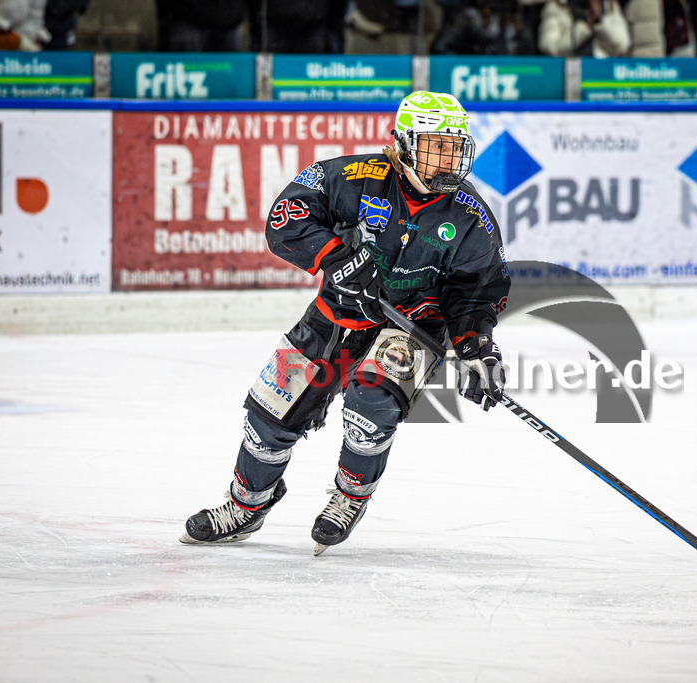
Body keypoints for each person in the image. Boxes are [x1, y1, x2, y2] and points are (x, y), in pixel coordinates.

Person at [180, 91, 511, 555]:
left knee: (370, 403)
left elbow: (476, 290)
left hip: (413, 326)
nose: (449, 160)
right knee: (268, 414)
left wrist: (477, 348)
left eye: (455, 148)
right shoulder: (354, 176)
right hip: (337, 314)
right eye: (437, 147)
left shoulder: (471, 214)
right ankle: (246, 506)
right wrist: (337, 259)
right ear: (405, 145)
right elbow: (285, 217)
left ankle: (349, 498)